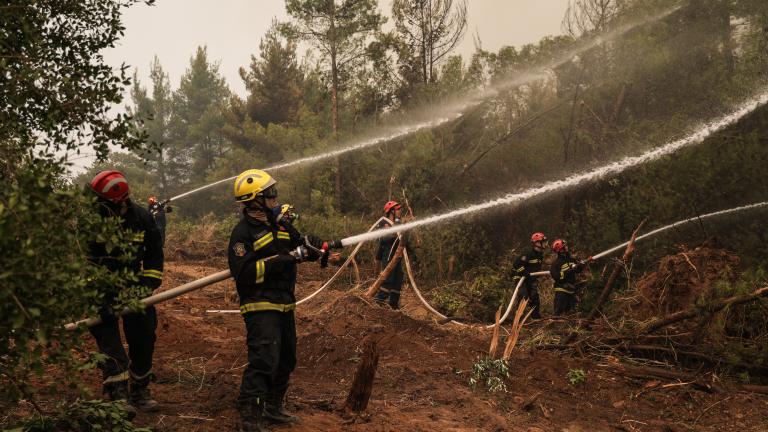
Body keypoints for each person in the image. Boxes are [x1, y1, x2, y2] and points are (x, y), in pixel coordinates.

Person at [228, 169, 330, 432]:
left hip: (285, 303)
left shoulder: (282, 226)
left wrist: (313, 247)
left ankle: (273, 407)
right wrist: (288, 258)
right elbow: (245, 273)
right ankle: (251, 414)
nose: (275, 198)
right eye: (269, 194)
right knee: (264, 359)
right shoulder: (242, 234)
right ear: (254, 200)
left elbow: (301, 248)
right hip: (260, 304)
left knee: (286, 358)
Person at [87, 170, 164, 417]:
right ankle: (119, 394)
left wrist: (147, 285)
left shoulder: (141, 216)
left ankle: (140, 389)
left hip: (134, 286)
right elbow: (81, 262)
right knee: (110, 343)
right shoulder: (90, 221)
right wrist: (98, 298)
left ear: (117, 200)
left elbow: (154, 252)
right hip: (100, 291)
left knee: (144, 337)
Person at [374, 200, 407, 309]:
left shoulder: (399, 223)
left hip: (398, 256)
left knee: (398, 279)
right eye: (397, 209)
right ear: (391, 211)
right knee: (389, 279)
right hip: (388, 255)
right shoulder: (383, 222)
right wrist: (395, 230)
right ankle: (377, 303)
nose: (400, 211)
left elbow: (403, 239)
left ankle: (393, 305)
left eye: (400, 209)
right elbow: (381, 238)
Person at [512, 232, 548, 319]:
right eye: (543, 242)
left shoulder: (539, 254)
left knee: (534, 297)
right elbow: (516, 264)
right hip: (520, 278)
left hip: (530, 279)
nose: (545, 244)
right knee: (524, 297)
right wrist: (523, 272)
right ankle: (518, 320)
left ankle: (536, 318)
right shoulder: (528, 252)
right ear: (537, 243)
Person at [549, 239, 585, 315]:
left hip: (571, 290)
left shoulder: (571, 259)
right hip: (561, 290)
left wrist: (581, 266)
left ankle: (567, 326)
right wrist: (568, 271)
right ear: (561, 249)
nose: (567, 247)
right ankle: (555, 324)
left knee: (570, 313)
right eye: (565, 246)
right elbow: (556, 276)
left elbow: (578, 270)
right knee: (558, 312)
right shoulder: (556, 264)